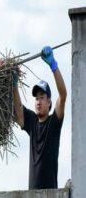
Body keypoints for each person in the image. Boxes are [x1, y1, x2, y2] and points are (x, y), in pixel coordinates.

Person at [13, 46, 67, 189]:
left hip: (51, 196)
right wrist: (14, 84)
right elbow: (18, 111)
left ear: (49, 102)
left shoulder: (54, 122)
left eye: (42, 97)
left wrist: (53, 66)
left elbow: (63, 95)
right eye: (36, 98)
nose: (38, 101)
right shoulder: (32, 121)